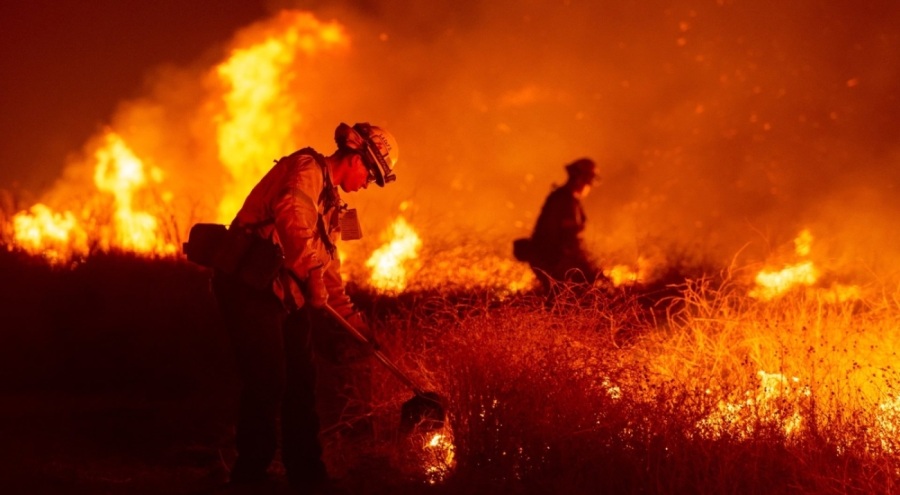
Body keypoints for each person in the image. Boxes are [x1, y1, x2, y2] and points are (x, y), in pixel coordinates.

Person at [210, 122, 398, 492]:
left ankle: (307, 476)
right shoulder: (307, 170)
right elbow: (292, 215)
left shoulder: (332, 203)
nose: (368, 184)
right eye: (371, 174)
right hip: (249, 288)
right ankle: (249, 478)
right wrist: (311, 275)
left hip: (281, 293)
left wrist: (355, 323)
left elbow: (328, 267)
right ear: (356, 157)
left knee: (302, 381)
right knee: (268, 379)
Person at [525, 157, 605, 298]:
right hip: (552, 260)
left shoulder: (566, 198)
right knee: (569, 298)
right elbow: (569, 241)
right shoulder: (565, 201)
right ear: (581, 179)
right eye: (589, 181)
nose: (589, 186)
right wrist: (590, 270)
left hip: (550, 258)